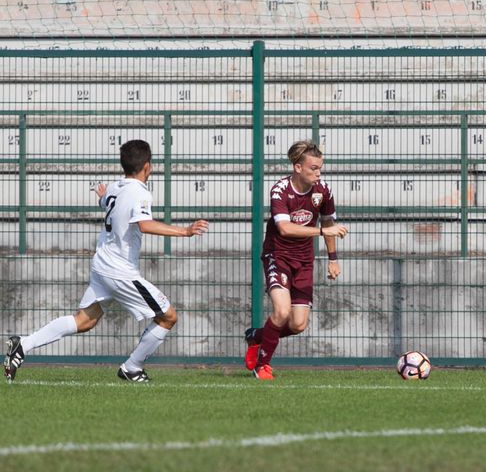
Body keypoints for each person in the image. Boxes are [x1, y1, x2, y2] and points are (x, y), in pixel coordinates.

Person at [4, 139, 209, 383]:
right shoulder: (140, 191)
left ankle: (23, 345)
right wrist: (184, 231)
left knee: (84, 320)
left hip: (102, 265)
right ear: (147, 166)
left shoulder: (114, 188)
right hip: (120, 271)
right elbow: (144, 224)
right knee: (168, 317)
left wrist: (102, 197)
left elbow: (109, 204)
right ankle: (132, 367)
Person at [244, 139, 347, 380]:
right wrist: (322, 232)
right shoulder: (280, 190)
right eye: (314, 168)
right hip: (277, 256)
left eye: (320, 168)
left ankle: (257, 337)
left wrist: (333, 258)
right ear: (298, 167)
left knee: (298, 324)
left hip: (304, 261)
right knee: (280, 312)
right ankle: (263, 366)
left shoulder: (323, 191)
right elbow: (285, 229)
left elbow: (329, 222)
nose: (318, 173)